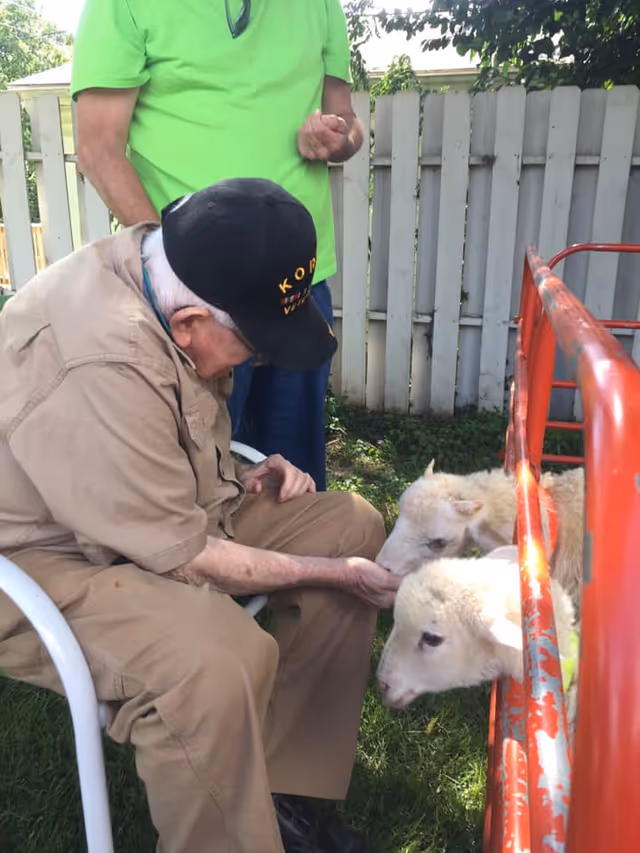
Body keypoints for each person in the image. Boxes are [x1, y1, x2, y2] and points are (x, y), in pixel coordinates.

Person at [0, 178, 399, 853]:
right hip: (42, 558)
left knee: (351, 522)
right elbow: (184, 557)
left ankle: (279, 796)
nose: (261, 362)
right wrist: (333, 572)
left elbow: (150, 447)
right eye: (258, 349)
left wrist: (234, 476)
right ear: (191, 323)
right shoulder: (100, 351)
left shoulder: (163, 273)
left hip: (149, 514)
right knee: (215, 660)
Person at [71, 0, 365, 492]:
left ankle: (304, 566)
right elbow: (98, 148)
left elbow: (349, 119)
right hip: (198, 300)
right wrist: (178, 270)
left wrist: (342, 138)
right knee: (198, 482)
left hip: (299, 283)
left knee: (296, 480)